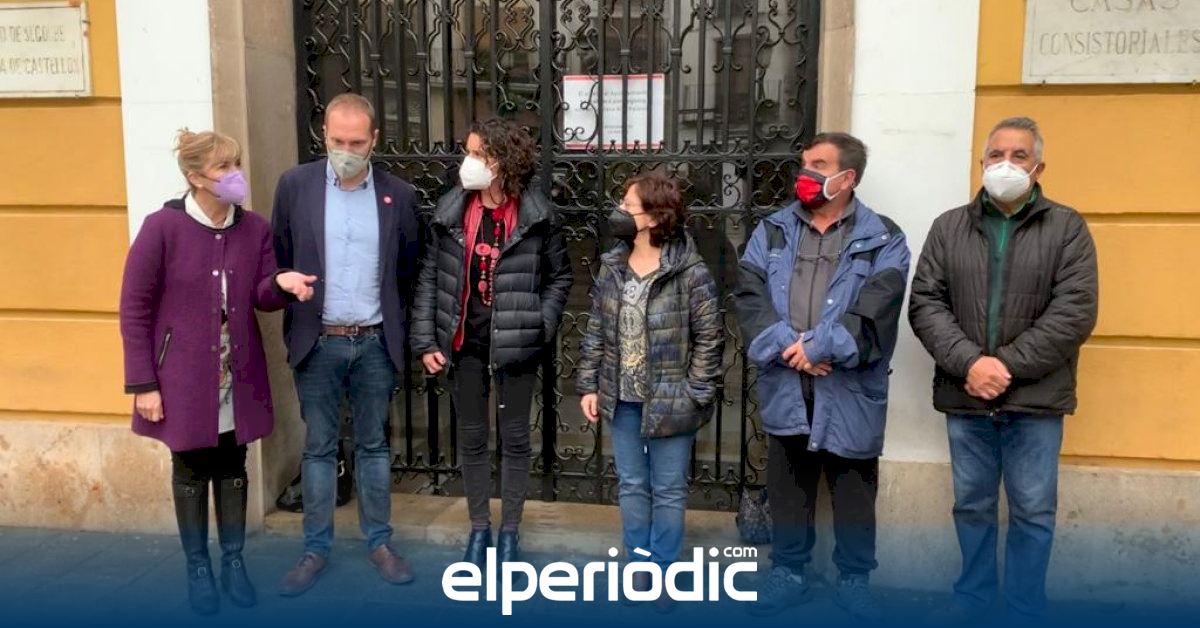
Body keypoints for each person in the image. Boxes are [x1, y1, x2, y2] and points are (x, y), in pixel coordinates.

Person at [909, 117, 1098, 622]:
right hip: (966, 395)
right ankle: (973, 599)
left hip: (1036, 400)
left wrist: (1005, 366)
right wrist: (971, 363)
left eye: (1019, 156)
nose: (1006, 164)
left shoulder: (1067, 228)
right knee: (971, 506)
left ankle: (1023, 608)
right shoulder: (949, 227)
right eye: (996, 155)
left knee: (1033, 511)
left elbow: (1075, 311)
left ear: (1039, 168)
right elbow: (925, 302)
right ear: (982, 162)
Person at [120, 129, 317, 614]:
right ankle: (198, 568)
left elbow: (261, 294)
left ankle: (233, 562)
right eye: (223, 167)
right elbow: (134, 308)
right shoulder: (161, 228)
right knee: (190, 467)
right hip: (181, 377)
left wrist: (282, 282)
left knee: (232, 466)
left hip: (236, 373)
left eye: (237, 164)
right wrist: (143, 383)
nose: (235, 175)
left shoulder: (253, 228)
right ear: (195, 177)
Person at [734, 132, 910, 620]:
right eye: (804, 164)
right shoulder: (771, 230)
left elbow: (879, 308)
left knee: (854, 490)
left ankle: (854, 581)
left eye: (818, 165)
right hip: (787, 384)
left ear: (847, 177)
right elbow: (749, 298)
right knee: (789, 486)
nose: (805, 173)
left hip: (849, 389)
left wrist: (817, 346)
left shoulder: (884, 237)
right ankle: (789, 573)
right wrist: (792, 349)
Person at [272, 93, 422, 596]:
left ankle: (380, 543)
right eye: (338, 141)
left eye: (357, 142)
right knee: (318, 448)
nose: (347, 151)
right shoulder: (295, 186)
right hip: (318, 341)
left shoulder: (399, 195)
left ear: (374, 139)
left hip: (375, 342)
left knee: (374, 446)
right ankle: (314, 550)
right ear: (324, 135)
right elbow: (279, 257)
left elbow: (408, 268)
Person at [411, 117, 573, 570]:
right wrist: (425, 339)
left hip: (516, 342)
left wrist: (539, 324)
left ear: (502, 161)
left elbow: (560, 276)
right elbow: (430, 277)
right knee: (472, 437)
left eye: (477, 154)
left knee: (516, 439)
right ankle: (479, 528)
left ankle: (510, 534)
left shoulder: (538, 215)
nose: (467, 162)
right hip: (463, 340)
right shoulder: (451, 210)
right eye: (468, 152)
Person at [576, 172, 724, 612]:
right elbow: (597, 329)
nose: (619, 211)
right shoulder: (612, 264)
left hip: (671, 399)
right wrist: (589, 383)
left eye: (628, 205)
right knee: (632, 485)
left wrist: (694, 392)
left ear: (655, 216)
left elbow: (710, 337)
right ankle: (638, 566)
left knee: (669, 488)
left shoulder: (690, 270)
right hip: (621, 396)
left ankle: (663, 570)